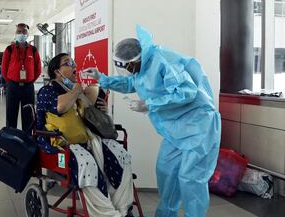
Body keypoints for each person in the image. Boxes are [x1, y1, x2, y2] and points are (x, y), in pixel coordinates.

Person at [84, 25, 221, 217]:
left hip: (198, 126)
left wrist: (150, 104)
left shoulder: (164, 62)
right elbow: (132, 82)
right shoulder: (142, 67)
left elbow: (186, 92)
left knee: (190, 179)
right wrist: (102, 79)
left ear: (136, 60)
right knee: (166, 172)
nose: (129, 71)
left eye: (128, 67)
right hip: (174, 131)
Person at [36, 53, 134, 217]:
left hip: (87, 138)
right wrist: (76, 91)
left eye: (74, 62)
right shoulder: (47, 91)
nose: (74, 66)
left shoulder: (77, 90)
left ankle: (123, 208)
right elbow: (60, 107)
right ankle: (106, 213)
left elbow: (92, 110)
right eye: (68, 63)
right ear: (56, 72)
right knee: (87, 164)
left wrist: (100, 109)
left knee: (121, 155)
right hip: (61, 142)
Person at [1, 23, 42, 131]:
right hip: (12, 86)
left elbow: (38, 68)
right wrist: (10, 82)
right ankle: (11, 139)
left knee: (28, 115)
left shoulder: (33, 50)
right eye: (19, 32)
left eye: (24, 32)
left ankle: (27, 141)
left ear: (28, 34)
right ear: (15, 34)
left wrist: (30, 81)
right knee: (11, 114)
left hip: (28, 87)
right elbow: (4, 69)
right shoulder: (9, 49)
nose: (21, 34)